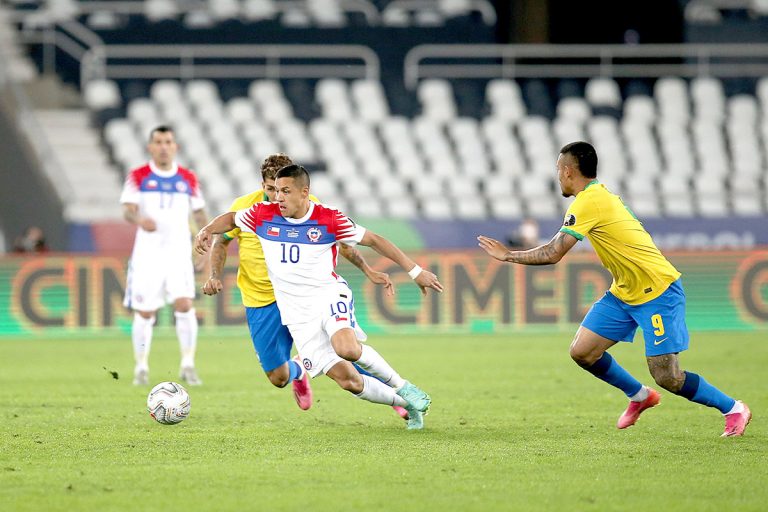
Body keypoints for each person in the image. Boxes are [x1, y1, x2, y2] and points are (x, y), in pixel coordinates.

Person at [478, 141, 751, 437]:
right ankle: (639, 396)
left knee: (667, 376)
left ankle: (733, 408)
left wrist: (508, 255)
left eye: (558, 170)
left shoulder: (589, 201)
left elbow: (553, 253)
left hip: (657, 291)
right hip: (624, 292)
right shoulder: (596, 197)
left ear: (568, 171)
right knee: (582, 352)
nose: (557, 176)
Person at [195, 164, 444, 429]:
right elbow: (231, 219)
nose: (278, 197)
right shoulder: (261, 214)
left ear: (305, 193)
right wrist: (206, 229)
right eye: (276, 191)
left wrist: (415, 271)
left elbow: (374, 240)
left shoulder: (328, 218)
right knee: (348, 380)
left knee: (347, 349)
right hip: (297, 314)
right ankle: (408, 405)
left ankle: (404, 388)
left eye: (285, 191)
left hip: (328, 295)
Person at [121, 125, 209, 387]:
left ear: (175, 146)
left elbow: (200, 213)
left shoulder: (188, 178)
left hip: (179, 254)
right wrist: (139, 218)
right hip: (147, 255)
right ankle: (141, 366)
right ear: (150, 147)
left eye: (168, 141)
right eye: (158, 142)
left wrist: (207, 242)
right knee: (145, 312)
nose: (163, 146)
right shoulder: (138, 176)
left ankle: (188, 364)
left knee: (184, 305)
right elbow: (127, 210)